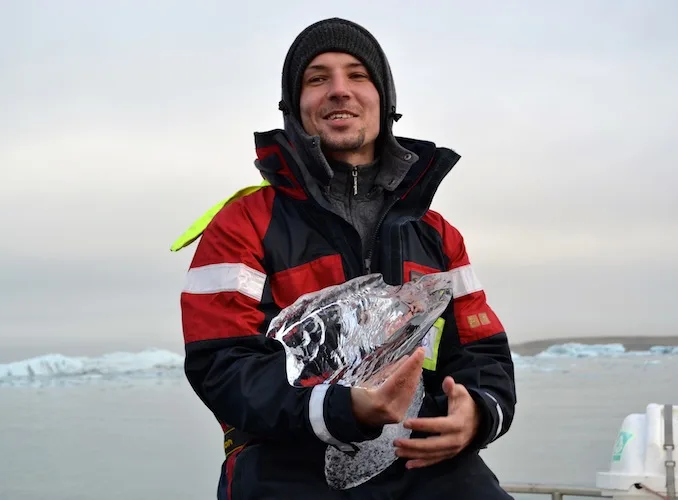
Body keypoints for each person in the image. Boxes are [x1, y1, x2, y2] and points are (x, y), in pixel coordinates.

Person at [172, 17, 517, 500]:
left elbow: (483, 354)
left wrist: (476, 414)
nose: (339, 90)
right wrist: (343, 409)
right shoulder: (243, 223)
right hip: (286, 464)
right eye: (318, 78)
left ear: (384, 100)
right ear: (295, 107)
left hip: (423, 462)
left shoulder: (438, 235)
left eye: (358, 75)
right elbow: (221, 366)